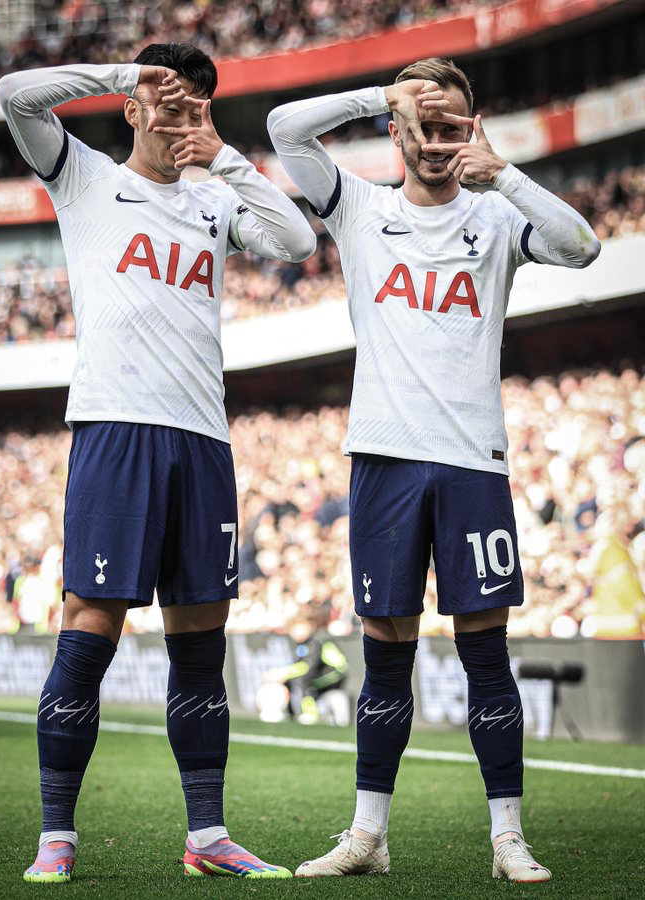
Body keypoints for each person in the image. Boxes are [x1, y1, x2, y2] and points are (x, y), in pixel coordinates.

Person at [267, 57, 600, 883]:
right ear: (396, 130)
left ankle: (507, 840)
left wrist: (508, 174)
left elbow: (583, 248)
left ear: (472, 129)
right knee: (386, 654)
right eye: (423, 122)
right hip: (383, 458)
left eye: (453, 123)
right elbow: (283, 129)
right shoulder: (360, 208)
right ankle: (368, 837)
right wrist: (381, 95)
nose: (438, 138)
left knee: (486, 656)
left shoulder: (495, 218)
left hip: (471, 465)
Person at [0, 41, 315, 883]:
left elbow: (296, 242)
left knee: (200, 645)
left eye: (194, 103)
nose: (178, 115)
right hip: (116, 431)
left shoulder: (214, 200)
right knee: (90, 631)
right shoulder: (86, 177)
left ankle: (207, 837)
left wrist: (231, 159)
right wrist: (119, 77)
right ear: (134, 107)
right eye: (165, 100)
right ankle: (56, 834)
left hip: (203, 439)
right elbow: (16, 95)